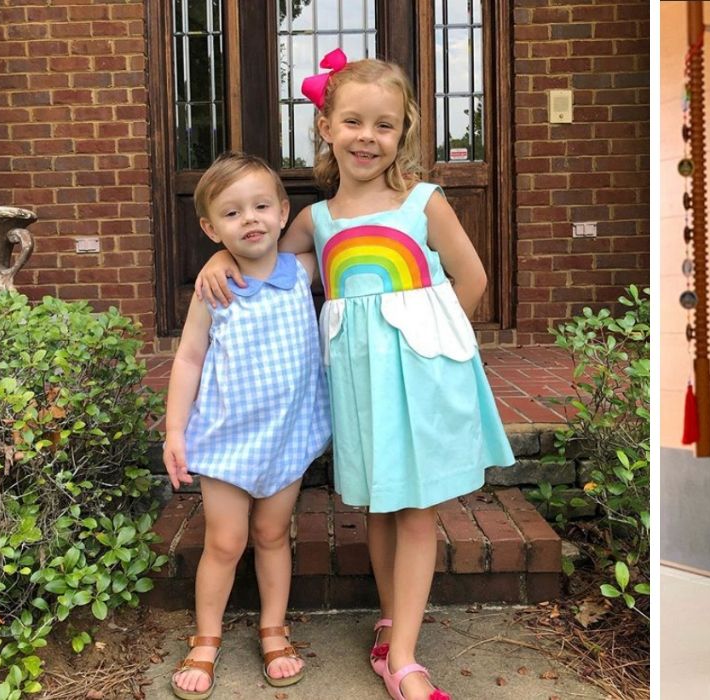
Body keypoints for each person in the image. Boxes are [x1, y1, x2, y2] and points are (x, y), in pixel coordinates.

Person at [195, 49, 516, 700]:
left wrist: (436, 346)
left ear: (403, 132)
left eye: (385, 125)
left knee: (419, 513)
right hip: (360, 385)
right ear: (326, 127)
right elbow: (263, 268)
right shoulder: (313, 221)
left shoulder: (423, 203)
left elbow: (473, 278)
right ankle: (391, 622)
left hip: (422, 376)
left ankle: (402, 658)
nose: (367, 137)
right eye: (353, 122)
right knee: (378, 505)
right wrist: (217, 260)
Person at [161, 151, 327, 699]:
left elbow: (347, 234)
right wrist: (175, 431)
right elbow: (188, 359)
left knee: (273, 534)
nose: (249, 219)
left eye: (260, 206)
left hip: (287, 437)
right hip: (228, 439)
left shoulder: (302, 273)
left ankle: (273, 629)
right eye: (231, 214)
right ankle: (206, 638)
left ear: (283, 212)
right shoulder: (215, 290)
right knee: (225, 541)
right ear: (211, 228)